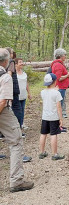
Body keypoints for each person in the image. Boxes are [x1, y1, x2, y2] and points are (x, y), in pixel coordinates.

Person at [0, 48, 34, 192]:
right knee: (16, 140)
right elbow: (2, 102)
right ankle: (16, 180)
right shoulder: (5, 77)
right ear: (7, 61)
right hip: (3, 112)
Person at [5, 48, 32, 162]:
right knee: (15, 119)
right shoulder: (10, 65)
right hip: (11, 98)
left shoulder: (12, 69)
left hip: (16, 96)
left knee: (19, 115)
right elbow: (7, 79)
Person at [39, 73, 65, 160]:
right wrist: (61, 118)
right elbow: (59, 107)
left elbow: (49, 94)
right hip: (53, 117)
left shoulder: (42, 92)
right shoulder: (56, 93)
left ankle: (42, 152)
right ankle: (55, 154)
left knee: (43, 134)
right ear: (54, 81)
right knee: (53, 134)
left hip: (45, 117)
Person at [51, 48, 69, 119]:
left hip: (60, 87)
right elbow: (59, 78)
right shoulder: (58, 65)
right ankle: (59, 118)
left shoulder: (59, 64)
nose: (65, 56)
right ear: (60, 56)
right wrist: (68, 74)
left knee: (61, 102)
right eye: (64, 55)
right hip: (60, 87)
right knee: (59, 103)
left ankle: (60, 116)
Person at [15, 58, 32, 129]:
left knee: (22, 110)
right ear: (16, 64)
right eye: (20, 62)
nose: (22, 63)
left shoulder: (24, 73)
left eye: (22, 62)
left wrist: (29, 93)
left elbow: (26, 84)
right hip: (16, 96)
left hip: (23, 95)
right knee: (17, 111)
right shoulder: (13, 74)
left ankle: (21, 124)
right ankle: (17, 125)